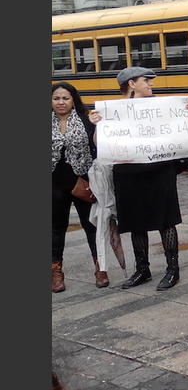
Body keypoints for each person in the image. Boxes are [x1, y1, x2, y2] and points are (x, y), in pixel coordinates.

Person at [88, 67, 188, 291]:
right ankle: (142, 269)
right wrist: (97, 125)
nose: (151, 84)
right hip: (128, 173)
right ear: (131, 84)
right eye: (146, 80)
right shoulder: (113, 111)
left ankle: (173, 269)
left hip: (160, 171)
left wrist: (187, 112)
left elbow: (179, 132)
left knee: (166, 220)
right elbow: (101, 144)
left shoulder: (162, 107)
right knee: (135, 221)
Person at [51, 82, 106, 292]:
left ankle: (100, 268)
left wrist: (98, 126)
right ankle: (56, 272)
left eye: (65, 98)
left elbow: (99, 144)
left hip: (83, 182)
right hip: (54, 185)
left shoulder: (86, 119)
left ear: (73, 100)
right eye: (56, 98)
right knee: (56, 229)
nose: (61, 102)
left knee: (91, 225)